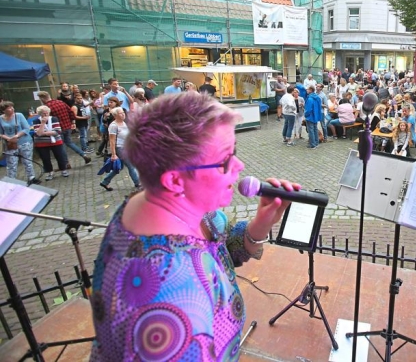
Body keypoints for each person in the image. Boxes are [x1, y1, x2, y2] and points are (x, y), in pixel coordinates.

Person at [89, 92, 297, 360]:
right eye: (224, 161)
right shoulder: (170, 298)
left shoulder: (165, 202)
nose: (239, 166)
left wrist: (260, 224)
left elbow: (221, 253)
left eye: (234, 152)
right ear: (175, 181)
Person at [37, 91, 91, 165]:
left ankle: (66, 163)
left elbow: (47, 119)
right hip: (67, 126)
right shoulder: (61, 102)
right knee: (69, 142)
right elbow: (71, 113)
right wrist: (72, 122)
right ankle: (83, 155)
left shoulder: (46, 107)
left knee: (61, 146)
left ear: (42, 98)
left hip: (57, 129)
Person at [98, 107, 140, 191]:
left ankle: (105, 182)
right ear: (115, 115)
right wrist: (113, 154)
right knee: (131, 166)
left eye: (123, 112)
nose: (123, 114)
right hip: (120, 148)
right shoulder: (113, 126)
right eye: (121, 113)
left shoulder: (123, 123)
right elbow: (112, 141)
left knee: (119, 167)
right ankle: (137, 183)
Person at [0, 101, 39, 183]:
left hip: (24, 141)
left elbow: (26, 128)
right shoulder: (0, 119)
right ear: (4, 110)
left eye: (12, 107)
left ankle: (31, 177)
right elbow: (1, 132)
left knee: (27, 161)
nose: (12, 109)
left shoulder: (19, 115)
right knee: (11, 163)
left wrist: (17, 136)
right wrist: (8, 138)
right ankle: (11, 181)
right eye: (9, 108)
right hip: (10, 144)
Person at [33, 105, 70, 180]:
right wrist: (43, 123)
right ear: (40, 114)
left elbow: (57, 131)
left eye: (47, 113)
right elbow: (38, 133)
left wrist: (44, 133)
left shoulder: (54, 119)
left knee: (60, 156)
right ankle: (50, 172)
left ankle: (63, 170)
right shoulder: (36, 121)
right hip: (41, 143)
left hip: (55, 141)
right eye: (43, 113)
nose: (46, 114)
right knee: (45, 158)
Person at [304, 85, 323, 149]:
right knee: (315, 129)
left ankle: (312, 144)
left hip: (310, 117)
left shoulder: (310, 99)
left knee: (311, 131)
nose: (307, 90)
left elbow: (308, 109)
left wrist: (305, 114)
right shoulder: (317, 97)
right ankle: (316, 143)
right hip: (316, 116)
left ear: (310, 90)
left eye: (307, 89)